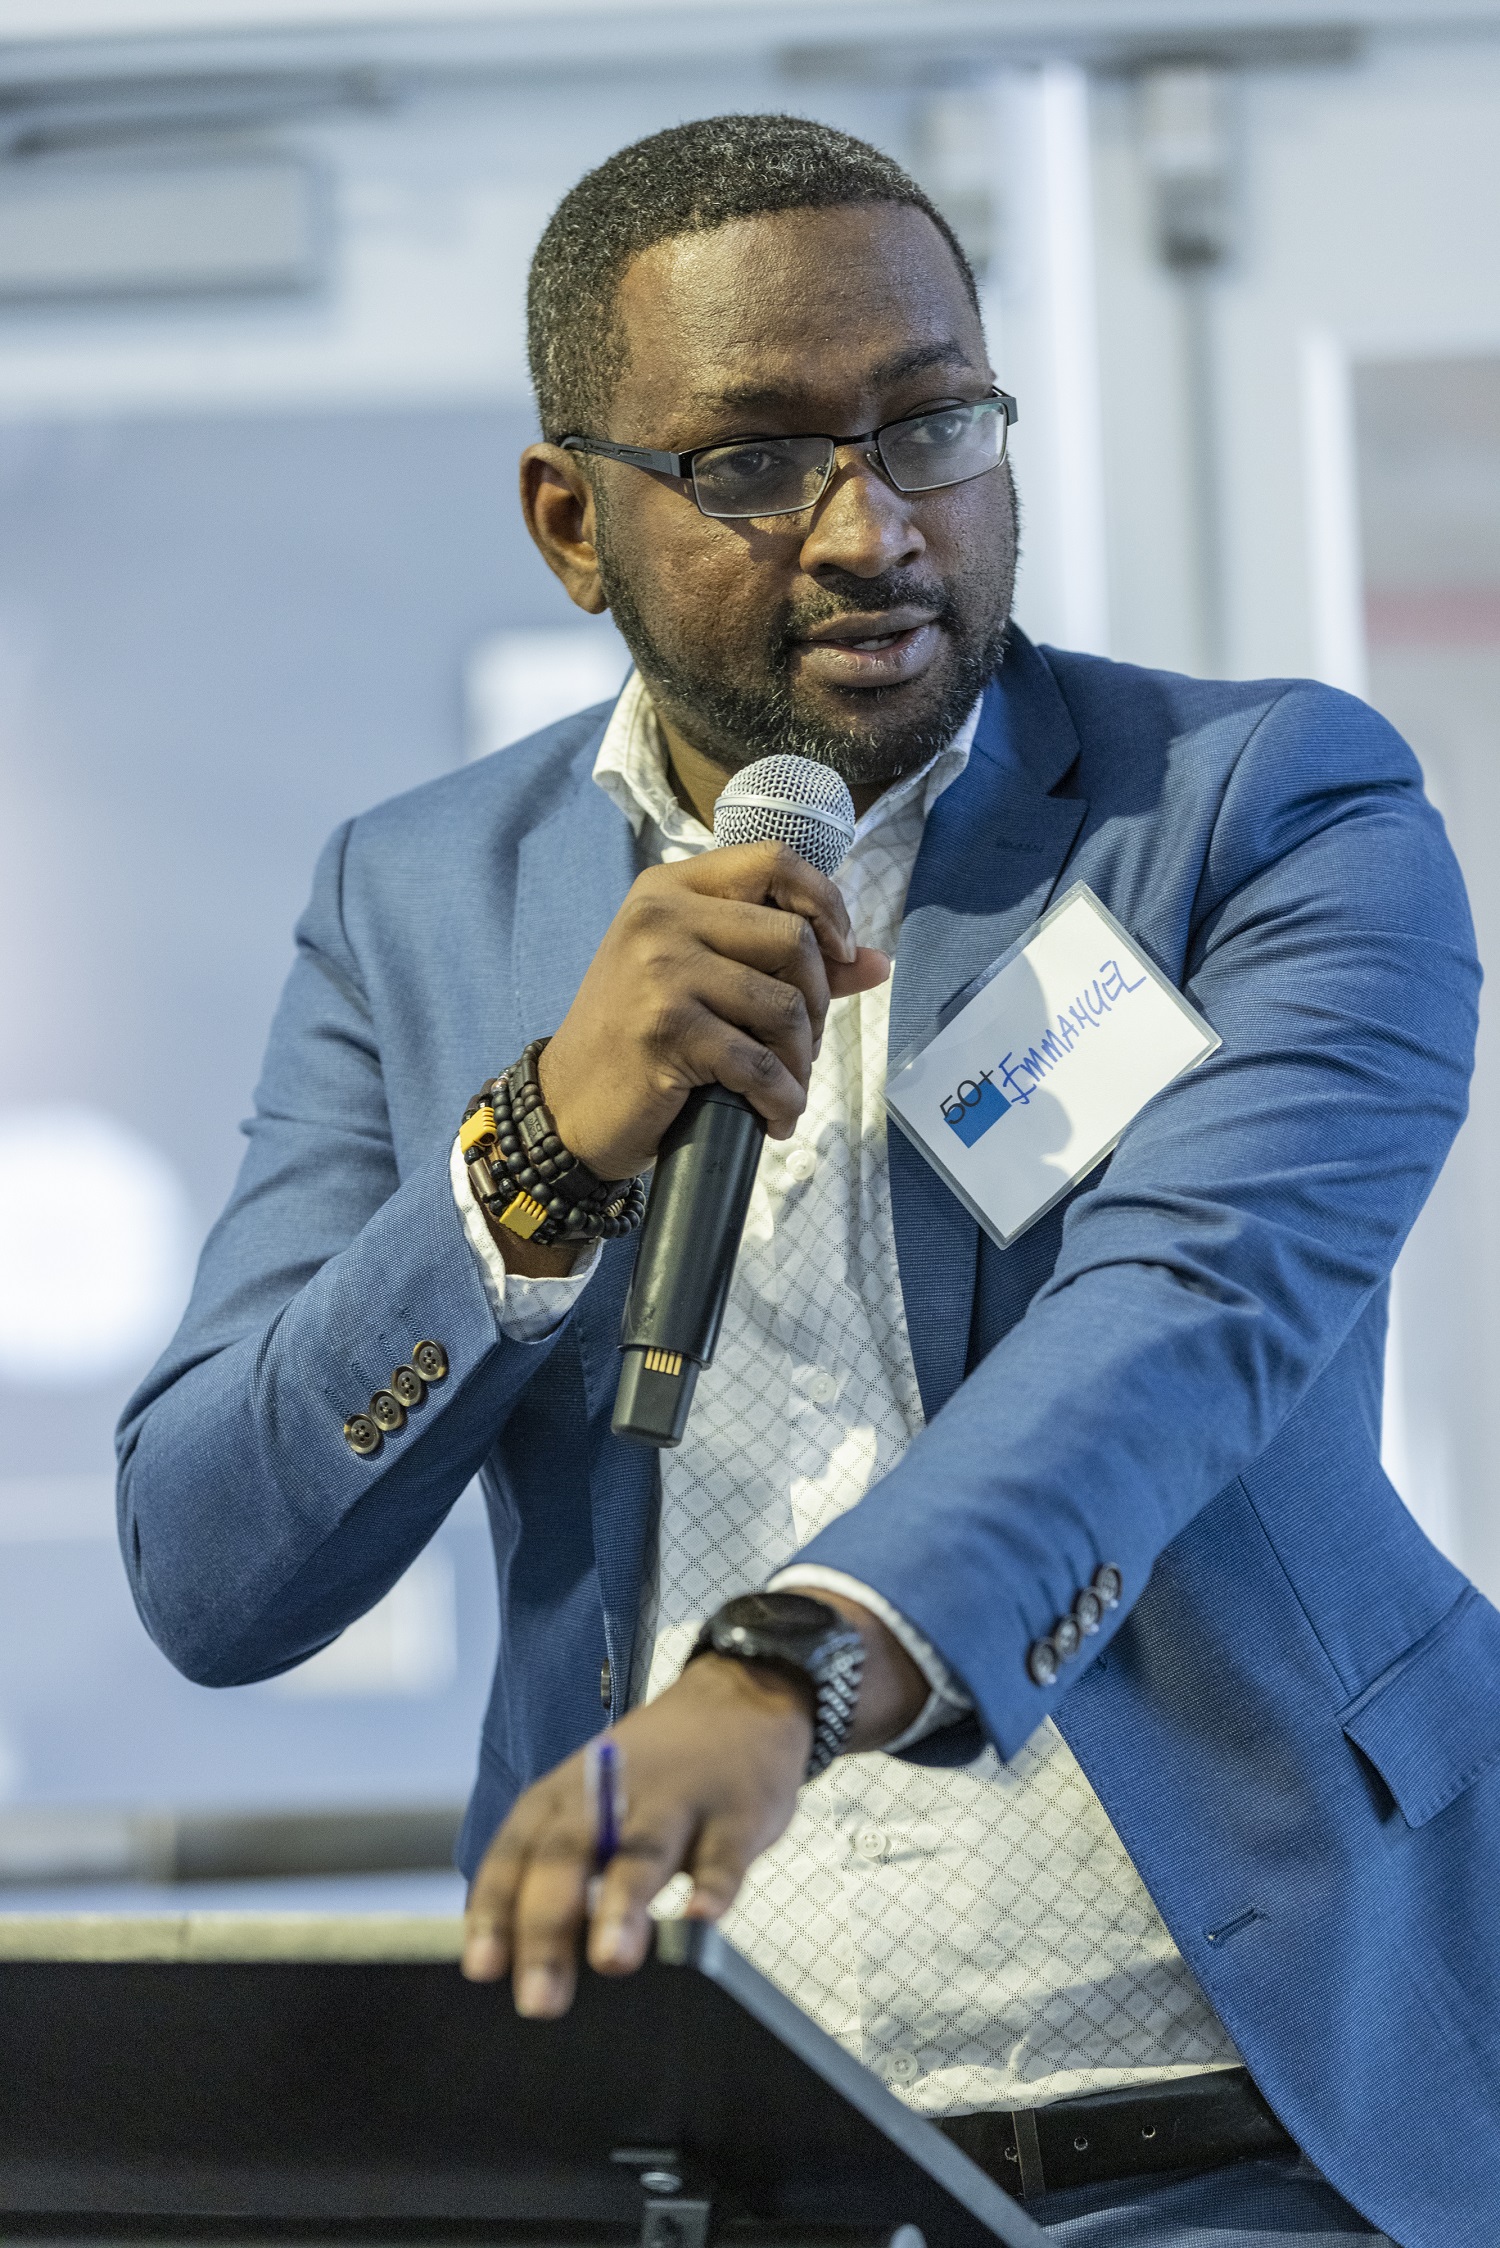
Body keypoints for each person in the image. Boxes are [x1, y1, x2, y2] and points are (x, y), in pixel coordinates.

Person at [117, 115, 1495, 2248]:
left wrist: (788, 1673)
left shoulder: (1264, 814)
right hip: (697, 2151)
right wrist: (543, 1141)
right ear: (572, 521)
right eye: (756, 460)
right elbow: (214, 1560)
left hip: (1266, 2122)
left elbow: (1182, 1325)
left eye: (933, 423)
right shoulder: (416, 898)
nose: (876, 528)